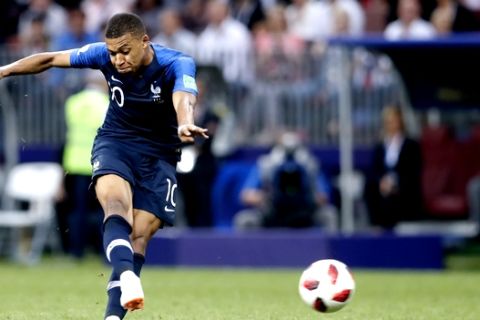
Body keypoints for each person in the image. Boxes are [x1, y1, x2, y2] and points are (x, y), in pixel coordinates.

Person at [0, 12, 208, 320]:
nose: (118, 59)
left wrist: (185, 124)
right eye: (112, 53)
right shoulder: (104, 56)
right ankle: (127, 276)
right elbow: (49, 60)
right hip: (116, 142)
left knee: (140, 235)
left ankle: (113, 314)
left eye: (125, 51)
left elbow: (184, 96)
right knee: (114, 204)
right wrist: (3, 70)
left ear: (144, 41)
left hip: (161, 154)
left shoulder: (175, 63)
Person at [234, 132, 338, 232]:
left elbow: (324, 197)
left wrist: (308, 196)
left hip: (304, 211)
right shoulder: (266, 165)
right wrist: (267, 196)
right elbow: (246, 195)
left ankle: (328, 250)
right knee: (245, 220)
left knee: (329, 214)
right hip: (272, 212)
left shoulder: (310, 166)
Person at [61, 70, 108, 260]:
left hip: (75, 163)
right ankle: (101, 250)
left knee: (78, 211)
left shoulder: (73, 102)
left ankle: (76, 251)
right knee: (103, 210)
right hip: (100, 163)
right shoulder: (106, 103)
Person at [363, 105, 423, 230]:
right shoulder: (380, 146)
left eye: (393, 121)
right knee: (370, 186)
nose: (391, 125)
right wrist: (382, 181)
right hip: (384, 183)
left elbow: (413, 171)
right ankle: (376, 226)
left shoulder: (411, 145)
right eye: (388, 122)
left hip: (403, 185)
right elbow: (376, 168)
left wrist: (394, 183)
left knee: (393, 193)